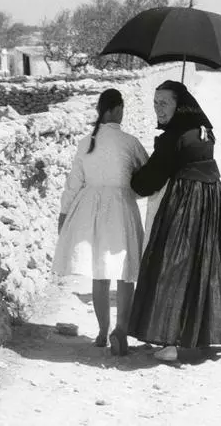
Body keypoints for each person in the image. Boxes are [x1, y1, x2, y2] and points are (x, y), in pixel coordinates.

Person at [129, 80, 221, 362]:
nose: (158, 108)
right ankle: (205, 333)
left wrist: (131, 180)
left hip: (186, 202)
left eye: (164, 102)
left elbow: (149, 180)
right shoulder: (204, 130)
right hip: (212, 200)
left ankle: (171, 340)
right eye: (155, 102)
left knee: (172, 266)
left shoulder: (174, 137)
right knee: (207, 266)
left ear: (180, 105)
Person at [53, 88, 148, 355]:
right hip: (121, 207)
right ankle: (121, 330)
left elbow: (73, 183)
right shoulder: (130, 142)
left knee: (100, 272)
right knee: (125, 273)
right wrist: (132, 192)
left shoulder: (86, 142)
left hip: (91, 209)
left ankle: (102, 331)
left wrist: (64, 214)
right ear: (116, 110)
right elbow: (146, 176)